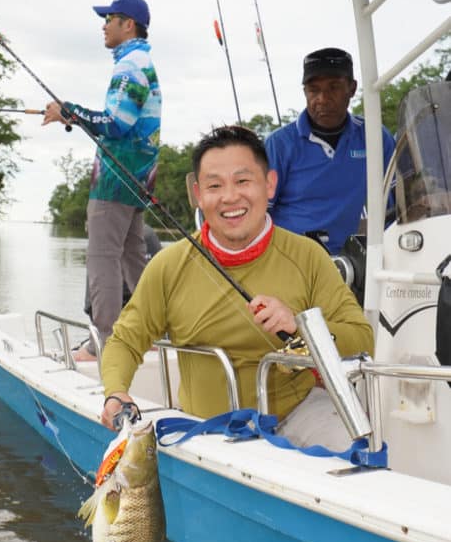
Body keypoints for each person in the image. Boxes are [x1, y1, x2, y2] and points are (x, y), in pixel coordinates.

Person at [100, 126, 374, 450]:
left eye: (243, 181)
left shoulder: (309, 256)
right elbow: (125, 340)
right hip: (203, 428)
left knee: (352, 446)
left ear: (270, 184)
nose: (230, 197)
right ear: (199, 195)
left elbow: (362, 338)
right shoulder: (167, 265)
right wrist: (116, 391)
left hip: (298, 414)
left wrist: (300, 325)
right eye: (215, 185)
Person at [43, 0, 162, 361]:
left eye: (108, 18)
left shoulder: (130, 65)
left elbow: (116, 124)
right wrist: (71, 115)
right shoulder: (141, 60)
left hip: (116, 177)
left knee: (101, 256)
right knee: (131, 254)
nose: (103, 25)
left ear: (128, 24)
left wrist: (69, 111)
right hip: (139, 175)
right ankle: (150, 332)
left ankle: (106, 343)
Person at [265, 47, 396, 255]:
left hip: (355, 261)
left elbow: (400, 197)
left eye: (334, 87)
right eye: (313, 90)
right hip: (290, 259)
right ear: (305, 92)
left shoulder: (374, 136)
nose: (322, 99)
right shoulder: (279, 144)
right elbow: (258, 212)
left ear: (352, 89)